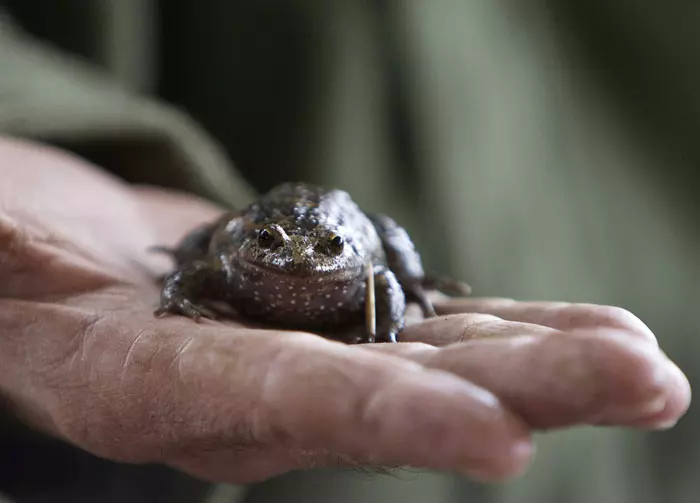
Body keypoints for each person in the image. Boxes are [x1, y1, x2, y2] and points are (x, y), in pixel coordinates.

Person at [0, 3, 696, 503]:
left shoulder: (356, 268)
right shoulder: (239, 258)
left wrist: (391, 313)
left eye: (324, 253)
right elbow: (200, 259)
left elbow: (380, 276)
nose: (299, 262)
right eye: (274, 249)